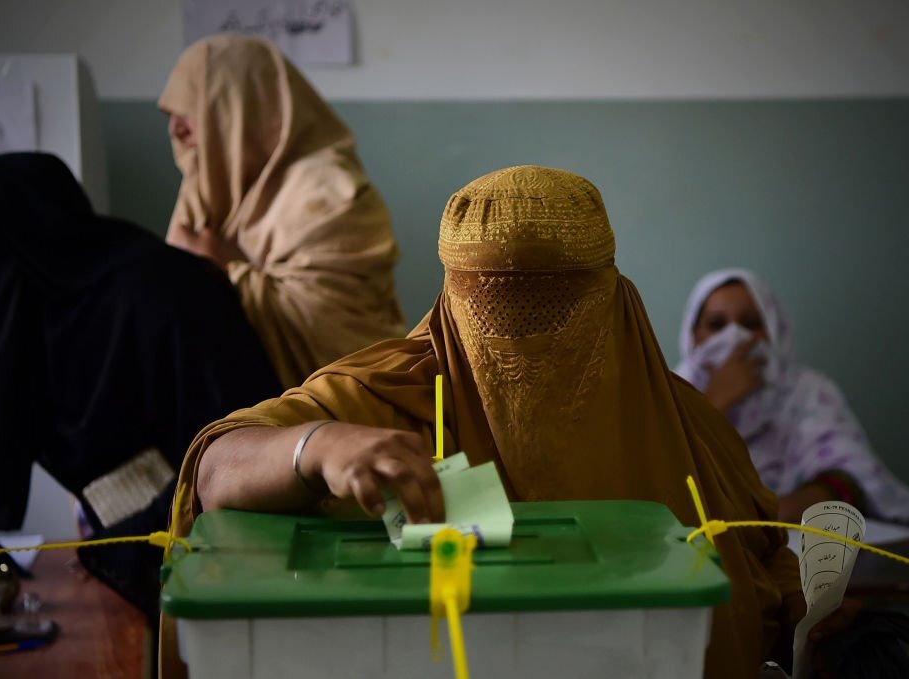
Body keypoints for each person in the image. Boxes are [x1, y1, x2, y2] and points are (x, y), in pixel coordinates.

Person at [163, 166, 810, 678]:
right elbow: (219, 466)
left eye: (557, 305)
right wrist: (319, 445)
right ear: (450, 296)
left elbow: (767, 572)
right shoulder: (386, 397)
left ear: (611, 288)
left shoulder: (688, 424)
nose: (524, 343)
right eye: (494, 306)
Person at [0, 152, 282, 622]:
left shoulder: (174, 295)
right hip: (129, 585)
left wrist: (113, 554)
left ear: (15, 254)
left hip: (226, 585)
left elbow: (243, 456)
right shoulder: (38, 329)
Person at [158, 34, 406, 389]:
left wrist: (221, 269)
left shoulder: (332, 192)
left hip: (350, 413)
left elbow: (335, 332)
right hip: (244, 411)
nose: (175, 130)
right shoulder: (209, 184)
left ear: (240, 106)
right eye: (170, 115)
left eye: (189, 112)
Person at [675, 269, 909, 524]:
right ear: (694, 335)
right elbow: (659, 479)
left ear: (773, 330)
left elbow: (853, 476)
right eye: (717, 325)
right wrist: (712, 404)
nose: (734, 336)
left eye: (751, 322)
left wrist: (787, 508)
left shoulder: (809, 393)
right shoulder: (671, 393)